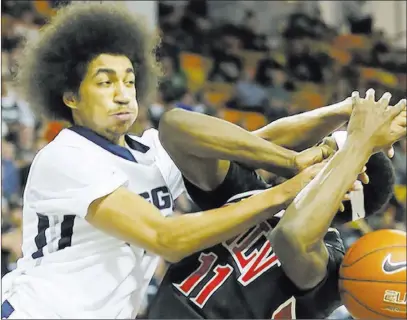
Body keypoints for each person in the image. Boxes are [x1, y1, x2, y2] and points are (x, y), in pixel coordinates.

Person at [1, 2, 334, 319]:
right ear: (70, 96)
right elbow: (167, 239)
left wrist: (344, 112)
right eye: (105, 83)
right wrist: (287, 190)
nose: (122, 93)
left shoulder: (150, 152)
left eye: (129, 81)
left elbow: (255, 142)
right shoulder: (66, 156)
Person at [147, 89, 406, 318]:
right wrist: (344, 110)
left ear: (349, 190)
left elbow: (290, 236)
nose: (313, 152)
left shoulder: (332, 264)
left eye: (326, 154)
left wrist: (361, 143)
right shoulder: (253, 194)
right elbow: (175, 126)